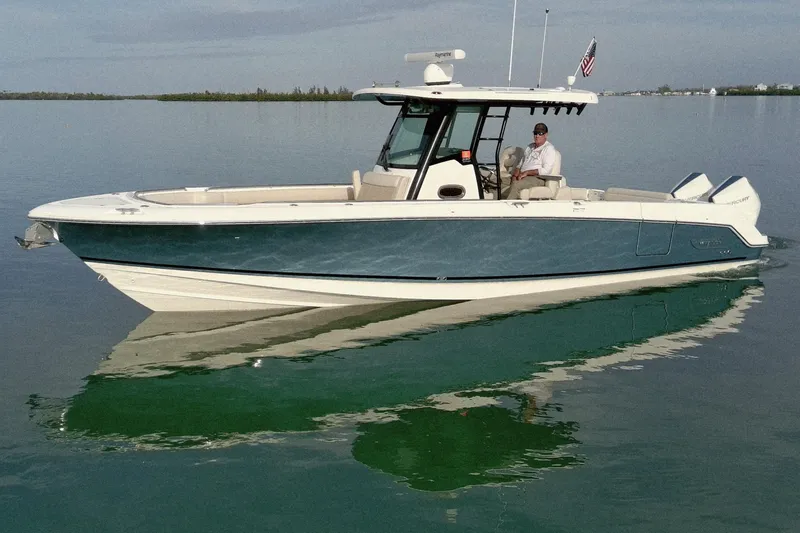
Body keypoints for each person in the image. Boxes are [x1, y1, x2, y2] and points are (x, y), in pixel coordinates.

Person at [505, 122, 557, 200]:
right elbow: (520, 164)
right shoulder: (530, 147)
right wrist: (514, 176)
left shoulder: (549, 149)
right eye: (535, 133)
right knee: (495, 181)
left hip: (537, 178)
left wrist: (527, 173)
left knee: (516, 185)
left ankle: (506, 208)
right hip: (521, 176)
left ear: (546, 135)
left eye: (540, 133)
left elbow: (546, 171)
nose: (537, 136)